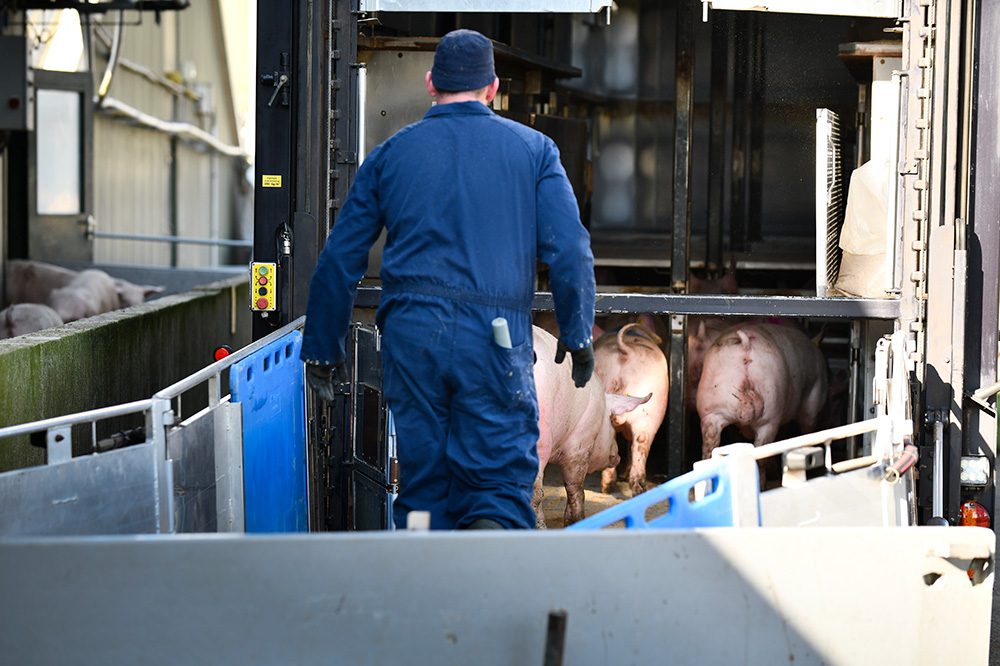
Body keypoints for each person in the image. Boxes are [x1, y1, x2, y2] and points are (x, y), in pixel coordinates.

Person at [300, 29, 596, 530]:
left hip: (414, 340)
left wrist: (322, 349)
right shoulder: (535, 151)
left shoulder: (391, 155)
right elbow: (569, 249)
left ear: (431, 84)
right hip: (497, 341)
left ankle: (428, 585)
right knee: (500, 485)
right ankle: (490, 579)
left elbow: (339, 259)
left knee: (424, 484)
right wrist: (578, 332)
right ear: (493, 89)